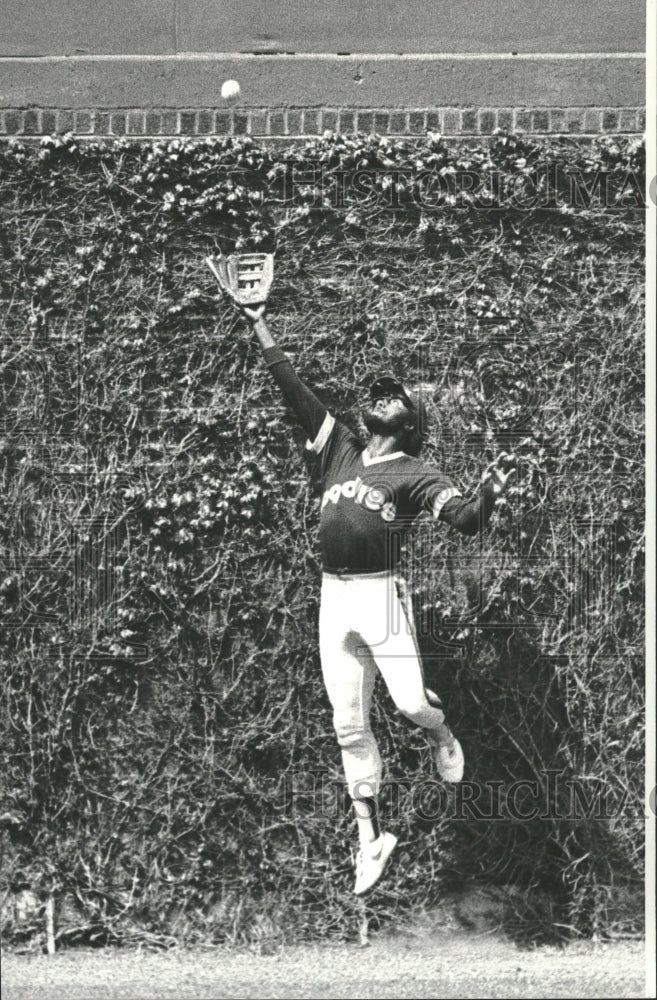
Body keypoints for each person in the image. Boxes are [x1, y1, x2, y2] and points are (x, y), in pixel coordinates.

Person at [228, 296, 516, 896]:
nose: (383, 396)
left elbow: (464, 520)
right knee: (348, 726)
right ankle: (370, 841)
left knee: (411, 705)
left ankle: (439, 732)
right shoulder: (338, 449)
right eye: (378, 393)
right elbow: (292, 388)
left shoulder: (416, 470)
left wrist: (488, 495)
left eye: (396, 396)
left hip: (381, 598)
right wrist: (259, 323)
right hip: (334, 600)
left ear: (409, 423)